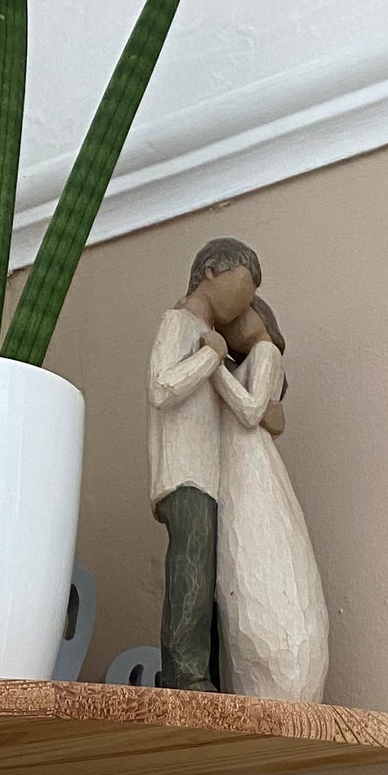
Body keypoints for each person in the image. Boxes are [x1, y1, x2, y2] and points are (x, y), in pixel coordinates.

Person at [146, 238, 262, 691]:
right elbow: (161, 387)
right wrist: (211, 355)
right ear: (212, 271)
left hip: (207, 473)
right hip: (183, 470)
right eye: (242, 286)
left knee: (208, 575)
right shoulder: (179, 324)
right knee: (191, 569)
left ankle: (206, 673)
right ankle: (185, 674)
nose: (245, 300)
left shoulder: (207, 336)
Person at [210, 293, 330, 703]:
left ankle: (281, 678)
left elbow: (249, 410)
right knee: (239, 570)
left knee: (259, 555)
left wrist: (213, 367)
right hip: (238, 467)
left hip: (251, 466)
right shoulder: (246, 362)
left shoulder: (266, 353)